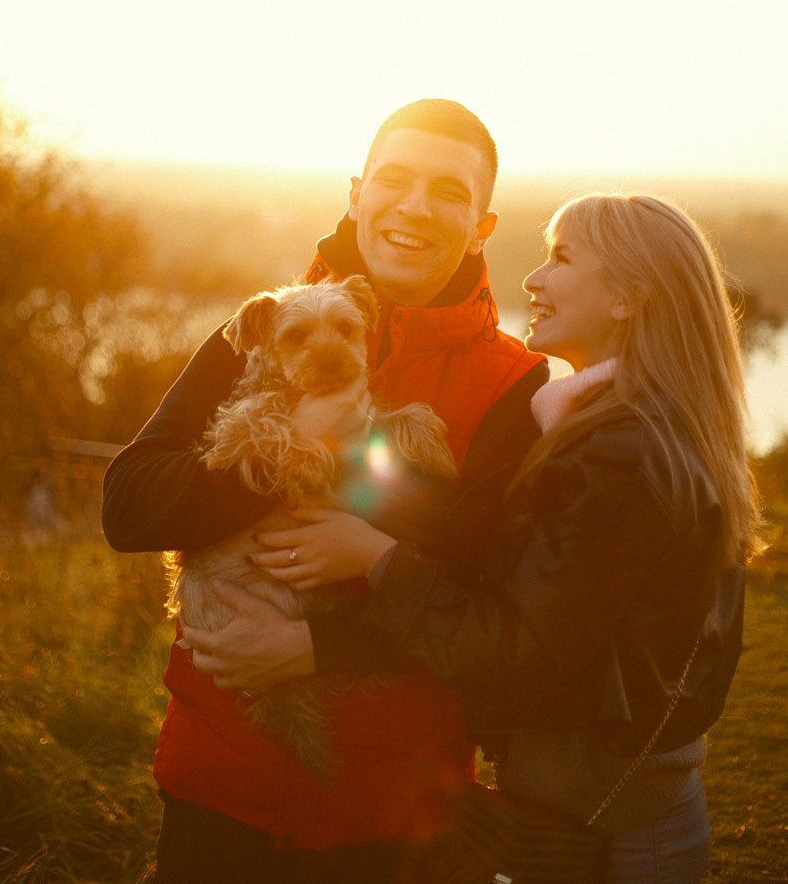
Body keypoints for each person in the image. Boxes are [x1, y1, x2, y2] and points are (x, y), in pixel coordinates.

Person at [205, 193, 759, 883]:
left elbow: (522, 649)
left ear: (626, 298)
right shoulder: (617, 428)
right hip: (596, 802)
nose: (530, 278)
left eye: (559, 257)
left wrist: (373, 560)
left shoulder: (623, 450)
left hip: (612, 824)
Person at [102, 98, 548, 883]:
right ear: (355, 192)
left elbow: (497, 590)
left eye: (449, 191)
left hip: (396, 816)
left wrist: (315, 646)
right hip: (221, 797)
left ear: (482, 224)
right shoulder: (257, 328)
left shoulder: (514, 383)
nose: (413, 206)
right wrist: (299, 448)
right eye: (395, 179)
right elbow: (129, 503)